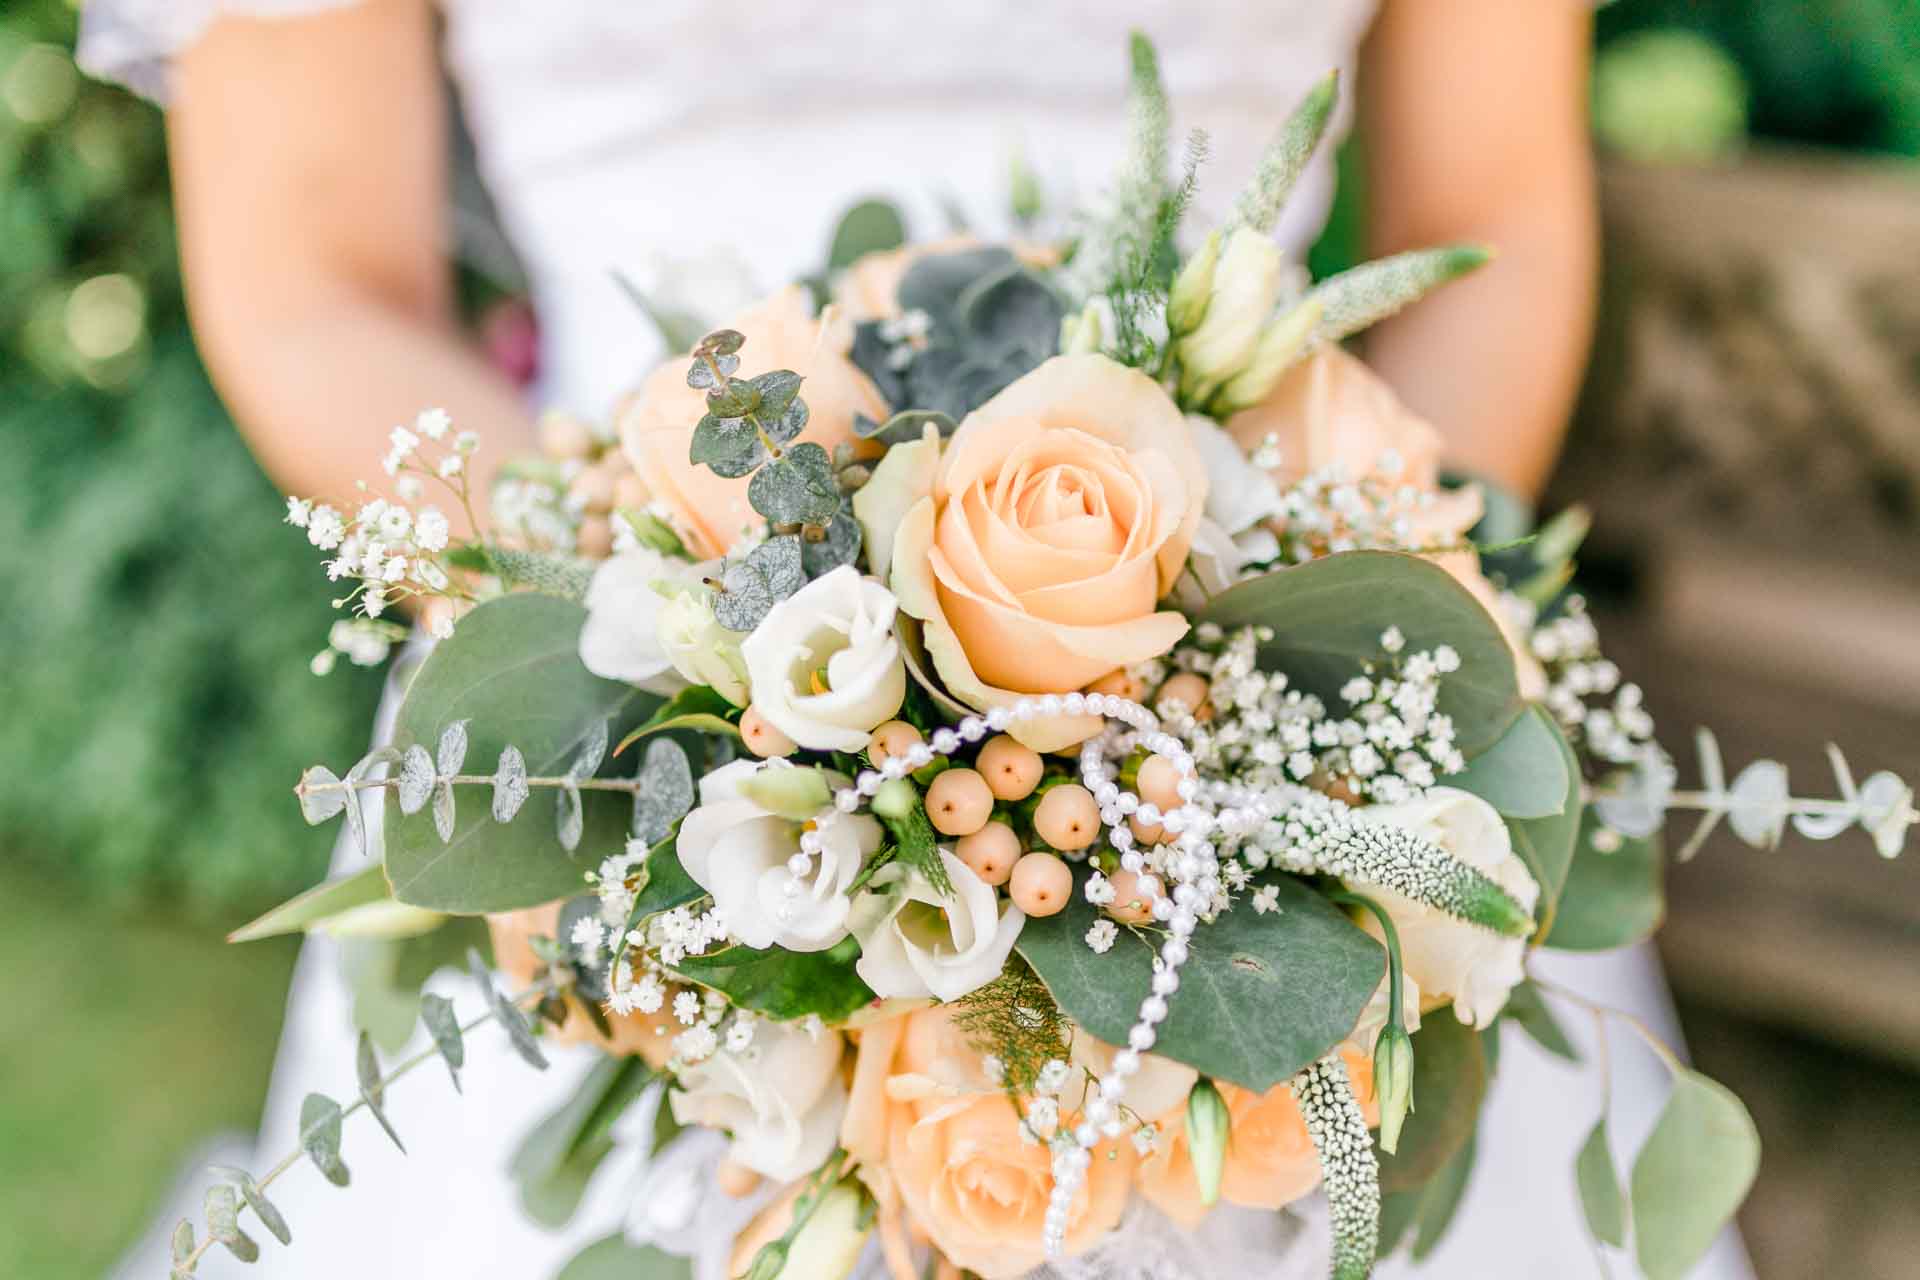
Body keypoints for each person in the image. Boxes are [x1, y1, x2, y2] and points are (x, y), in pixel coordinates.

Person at [81, 2, 1746, 1276]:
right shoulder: (649, 698)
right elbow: (316, 276)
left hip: (1275, 714)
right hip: (616, 724)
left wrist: (1295, 694)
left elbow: (1494, 236)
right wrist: (696, 695)